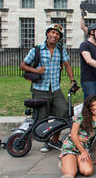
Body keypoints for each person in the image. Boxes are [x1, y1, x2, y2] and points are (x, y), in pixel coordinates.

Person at [20, 24, 77, 152]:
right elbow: (22, 65)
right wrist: (36, 70)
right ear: (47, 34)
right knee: (43, 117)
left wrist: (72, 80)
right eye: (52, 33)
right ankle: (45, 142)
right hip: (40, 89)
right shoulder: (37, 49)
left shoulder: (60, 49)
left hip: (55, 89)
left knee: (63, 113)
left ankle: (54, 140)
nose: (55, 36)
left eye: (57, 34)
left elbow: (67, 65)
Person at [59, 95, 96, 178]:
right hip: (72, 144)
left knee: (87, 172)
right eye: (92, 105)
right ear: (88, 107)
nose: (95, 107)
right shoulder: (81, 116)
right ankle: (67, 160)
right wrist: (83, 152)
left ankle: (75, 162)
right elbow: (73, 135)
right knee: (70, 174)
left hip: (84, 147)